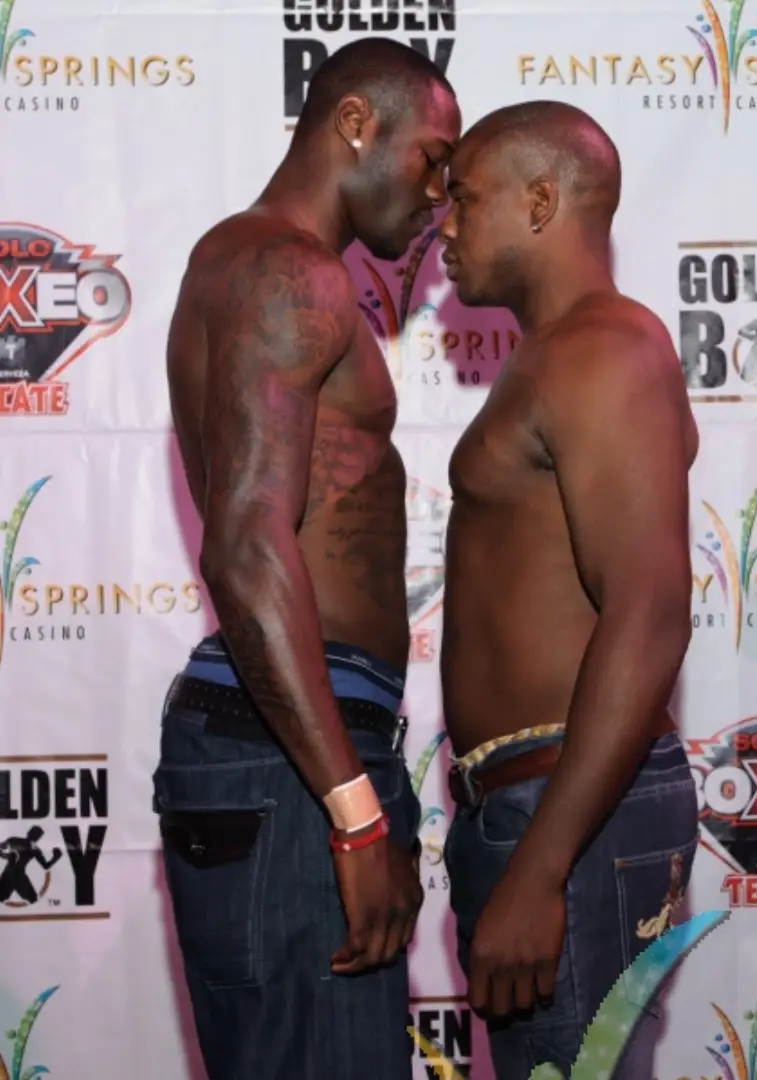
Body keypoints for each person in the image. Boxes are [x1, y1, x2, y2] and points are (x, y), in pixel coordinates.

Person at [154, 36, 458, 1080]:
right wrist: (354, 809)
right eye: (434, 157)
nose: (442, 192)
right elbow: (246, 548)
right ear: (357, 124)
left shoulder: (259, 261)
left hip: (294, 741)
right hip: (293, 758)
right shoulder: (291, 270)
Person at [435, 99, 699, 1080]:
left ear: (542, 201)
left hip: (570, 814)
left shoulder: (602, 348)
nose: (443, 225)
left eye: (464, 198)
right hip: (550, 806)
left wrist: (542, 867)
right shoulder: (566, 353)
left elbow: (649, 611)